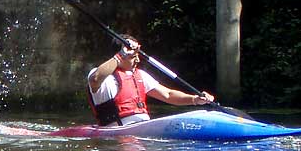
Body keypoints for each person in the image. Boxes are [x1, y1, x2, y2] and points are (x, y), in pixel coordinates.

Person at [87, 36, 215, 126]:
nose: (137, 60)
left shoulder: (140, 75)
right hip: (119, 137)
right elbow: (95, 79)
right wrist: (121, 55)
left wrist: (195, 100)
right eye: (132, 56)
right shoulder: (101, 76)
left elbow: (168, 95)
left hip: (142, 130)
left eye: (137, 55)